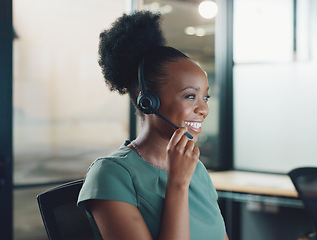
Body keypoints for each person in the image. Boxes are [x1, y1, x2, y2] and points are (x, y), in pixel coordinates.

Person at [77, 11, 228, 240]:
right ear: (147, 101)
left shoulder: (195, 167)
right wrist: (177, 184)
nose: (204, 110)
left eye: (205, 98)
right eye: (190, 96)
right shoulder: (111, 174)